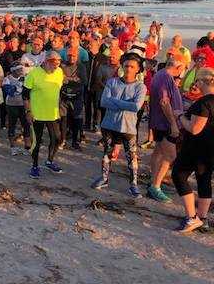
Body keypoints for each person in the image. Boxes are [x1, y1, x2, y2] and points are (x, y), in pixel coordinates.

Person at [91, 54, 147, 197]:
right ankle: (104, 178)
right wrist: (125, 104)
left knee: (131, 156)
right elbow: (103, 102)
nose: (128, 68)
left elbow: (136, 107)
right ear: (122, 66)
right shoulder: (112, 81)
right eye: (126, 65)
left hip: (128, 128)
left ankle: (133, 184)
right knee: (107, 153)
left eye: (132, 66)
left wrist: (114, 101)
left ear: (138, 69)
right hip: (109, 124)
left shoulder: (141, 87)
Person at [172, 68, 214, 232]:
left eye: (197, 81)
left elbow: (194, 128)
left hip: (197, 148)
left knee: (179, 175)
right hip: (211, 149)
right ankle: (202, 218)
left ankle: (192, 217)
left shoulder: (203, 103)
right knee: (204, 179)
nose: (195, 84)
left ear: (203, 82)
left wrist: (180, 116)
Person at [147, 56, 186, 203]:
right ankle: (156, 187)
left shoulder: (160, 74)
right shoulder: (165, 78)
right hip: (165, 124)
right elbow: (164, 102)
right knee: (170, 156)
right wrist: (174, 124)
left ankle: (154, 183)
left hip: (159, 122)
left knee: (158, 152)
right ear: (179, 68)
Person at [23, 51, 64, 179]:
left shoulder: (59, 72)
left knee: (57, 139)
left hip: (53, 114)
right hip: (37, 114)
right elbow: (25, 95)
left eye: (58, 63)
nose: (56, 66)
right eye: (53, 63)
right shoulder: (33, 74)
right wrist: (28, 111)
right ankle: (34, 166)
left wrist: (59, 107)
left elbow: (58, 90)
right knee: (37, 142)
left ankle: (49, 161)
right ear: (46, 61)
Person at [59, 48, 87, 150]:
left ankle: (75, 141)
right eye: (69, 55)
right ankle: (63, 140)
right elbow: (59, 78)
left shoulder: (81, 67)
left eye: (74, 55)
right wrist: (73, 79)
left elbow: (83, 81)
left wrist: (66, 78)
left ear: (77, 56)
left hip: (77, 96)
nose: (71, 57)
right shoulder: (62, 65)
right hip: (64, 96)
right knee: (63, 119)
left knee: (76, 119)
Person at [2, 62, 31, 156]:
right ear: (13, 70)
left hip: (23, 105)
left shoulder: (25, 78)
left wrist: (18, 87)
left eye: (21, 69)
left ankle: (27, 147)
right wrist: (18, 86)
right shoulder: (7, 79)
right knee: (12, 125)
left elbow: (27, 91)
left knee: (26, 125)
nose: (21, 71)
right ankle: (13, 147)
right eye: (19, 69)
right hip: (11, 105)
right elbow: (10, 92)